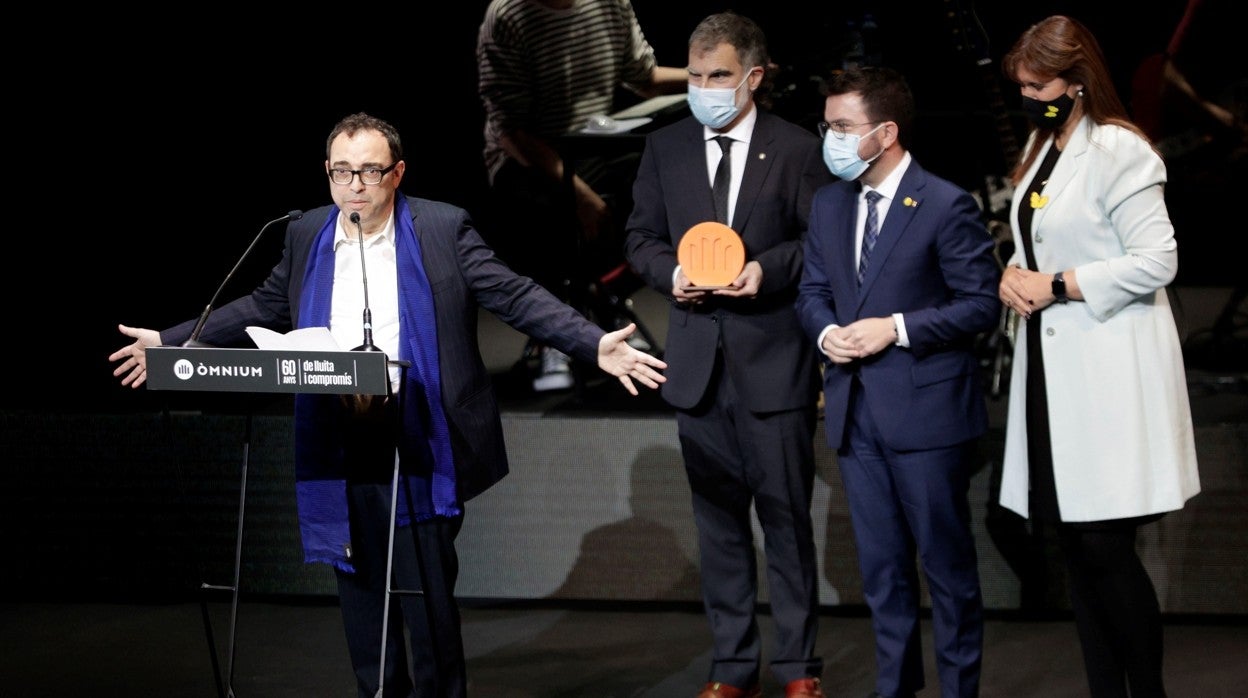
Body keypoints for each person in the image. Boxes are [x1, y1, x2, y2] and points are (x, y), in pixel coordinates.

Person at [108, 112, 667, 698]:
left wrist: (590, 343)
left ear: (397, 173)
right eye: (342, 171)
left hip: (421, 435)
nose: (355, 184)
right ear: (327, 173)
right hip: (337, 433)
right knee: (360, 589)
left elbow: (514, 294)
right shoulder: (307, 234)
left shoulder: (440, 229)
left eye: (370, 171)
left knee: (425, 595)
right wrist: (172, 341)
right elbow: (265, 304)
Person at [624, 12, 832, 698]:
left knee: (786, 522)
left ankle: (799, 668)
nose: (705, 87)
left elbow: (819, 244)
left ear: (754, 76)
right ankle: (732, 668)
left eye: (718, 75)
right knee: (718, 530)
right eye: (696, 76)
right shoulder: (667, 148)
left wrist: (765, 272)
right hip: (697, 368)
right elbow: (642, 238)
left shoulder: (799, 149)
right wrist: (670, 275)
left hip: (773, 364)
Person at [996, 16, 1202, 698]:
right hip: (1055, 377)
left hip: (1108, 374)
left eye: (1038, 84)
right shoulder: (1042, 143)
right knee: (1076, 555)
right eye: (1022, 86)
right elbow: (1040, 240)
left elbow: (1157, 260)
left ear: (1077, 81)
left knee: (1106, 550)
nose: (1028, 96)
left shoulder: (1121, 150)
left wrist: (1055, 285)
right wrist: (1013, 271)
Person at [795, 66, 1001, 698]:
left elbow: (981, 304)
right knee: (883, 575)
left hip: (927, 419)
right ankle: (896, 689)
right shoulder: (830, 203)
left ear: (885, 133)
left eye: (842, 127)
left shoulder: (943, 203)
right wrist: (827, 334)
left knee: (947, 572)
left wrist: (898, 328)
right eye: (826, 125)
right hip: (856, 419)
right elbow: (813, 292)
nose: (829, 138)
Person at [476, 0, 687, 391]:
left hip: (593, 148)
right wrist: (583, 197)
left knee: (666, 192)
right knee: (547, 211)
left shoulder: (611, 5)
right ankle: (558, 328)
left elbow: (643, 76)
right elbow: (510, 130)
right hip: (526, 159)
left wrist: (716, 76)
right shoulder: (508, 16)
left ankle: (601, 301)